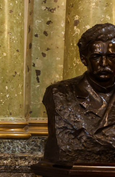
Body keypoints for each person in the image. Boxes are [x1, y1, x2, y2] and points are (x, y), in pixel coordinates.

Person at [43, 23, 115, 164]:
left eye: (111, 56)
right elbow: (67, 142)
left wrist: (89, 139)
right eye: (96, 57)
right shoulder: (60, 94)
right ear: (84, 59)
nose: (104, 63)